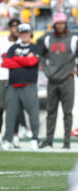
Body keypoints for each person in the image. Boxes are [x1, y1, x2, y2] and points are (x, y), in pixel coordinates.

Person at [39, 13, 78, 149]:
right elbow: (41, 56)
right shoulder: (48, 39)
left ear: (66, 24)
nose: (60, 25)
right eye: (58, 23)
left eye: (62, 23)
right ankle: (49, 141)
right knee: (51, 112)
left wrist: (76, 70)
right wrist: (45, 69)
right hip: (52, 80)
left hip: (67, 80)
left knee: (67, 113)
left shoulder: (73, 39)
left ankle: (66, 142)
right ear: (54, 25)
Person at [1, 23, 40, 150]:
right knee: (10, 115)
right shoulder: (13, 47)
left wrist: (17, 59)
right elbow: (6, 63)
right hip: (13, 85)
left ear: (30, 33)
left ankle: (34, 139)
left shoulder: (35, 47)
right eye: (22, 32)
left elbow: (32, 62)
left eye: (26, 32)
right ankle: (8, 140)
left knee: (33, 113)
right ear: (19, 34)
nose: (24, 35)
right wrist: (24, 60)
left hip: (29, 85)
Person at [0, 19, 24, 149]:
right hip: (1, 78)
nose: (15, 28)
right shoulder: (0, 41)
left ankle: (15, 138)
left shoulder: (22, 43)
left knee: (15, 111)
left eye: (17, 26)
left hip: (15, 79)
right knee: (0, 109)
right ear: (9, 28)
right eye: (13, 26)